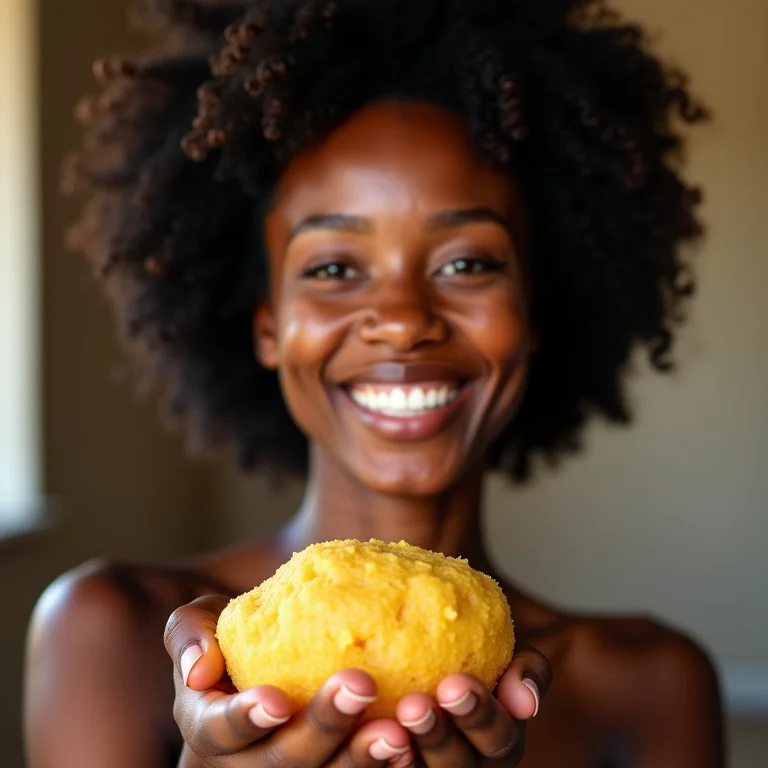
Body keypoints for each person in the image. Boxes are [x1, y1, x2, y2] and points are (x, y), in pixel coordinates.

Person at [24, 0, 724, 766]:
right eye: (333, 269)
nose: (402, 319)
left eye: (467, 263)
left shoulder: (650, 684)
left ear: (534, 315)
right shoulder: (112, 633)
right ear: (268, 327)